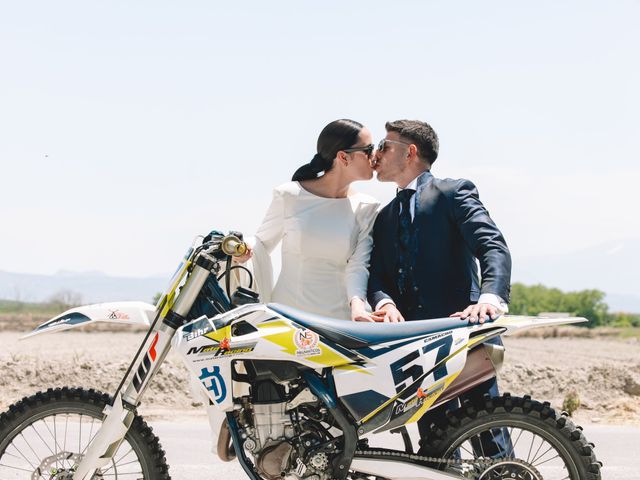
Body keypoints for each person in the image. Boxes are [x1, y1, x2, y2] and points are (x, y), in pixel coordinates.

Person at [366, 119, 511, 454]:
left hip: (465, 332)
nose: (376, 155)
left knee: (489, 439)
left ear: (410, 153)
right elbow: (377, 277)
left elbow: (492, 246)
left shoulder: (453, 192)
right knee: (435, 447)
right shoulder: (384, 216)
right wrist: (384, 302)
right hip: (415, 347)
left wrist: (489, 298)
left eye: (384, 146)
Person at [238, 119, 384, 322]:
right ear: (343, 157)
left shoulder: (367, 207)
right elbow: (261, 243)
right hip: (285, 321)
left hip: (339, 325)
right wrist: (243, 250)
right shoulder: (289, 195)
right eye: (369, 149)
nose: (376, 155)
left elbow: (358, 265)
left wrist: (358, 308)